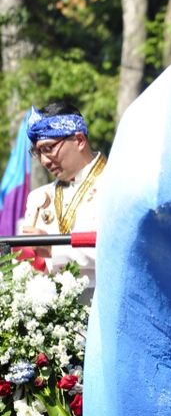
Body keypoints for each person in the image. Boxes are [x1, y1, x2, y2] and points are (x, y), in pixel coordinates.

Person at [20, 102, 106, 289]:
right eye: (37, 152)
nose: (43, 160)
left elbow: (120, 246)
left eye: (48, 148)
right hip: (52, 312)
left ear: (80, 140)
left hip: (106, 306)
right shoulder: (39, 197)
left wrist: (54, 249)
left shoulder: (116, 185)